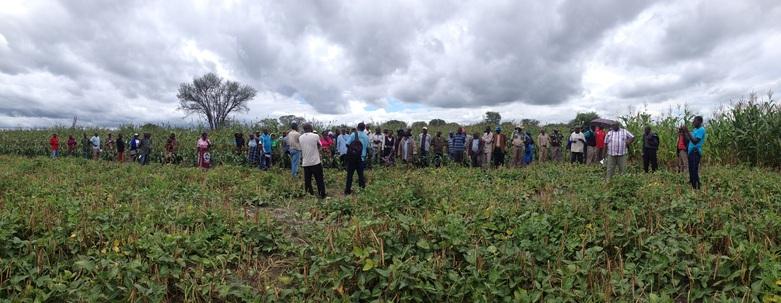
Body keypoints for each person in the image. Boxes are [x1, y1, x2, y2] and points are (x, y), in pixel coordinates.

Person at [299, 123, 327, 199]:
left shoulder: (300, 137)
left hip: (305, 163)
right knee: (319, 179)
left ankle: (309, 194)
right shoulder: (315, 136)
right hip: (315, 162)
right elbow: (320, 145)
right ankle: (322, 194)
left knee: (307, 180)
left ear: (304, 129)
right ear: (311, 128)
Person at [344, 122, 370, 195]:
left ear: (357, 127)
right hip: (361, 159)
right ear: (364, 128)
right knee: (361, 176)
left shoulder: (353, 134)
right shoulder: (366, 136)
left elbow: (347, 144)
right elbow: (368, 147)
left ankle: (347, 191)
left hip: (352, 159)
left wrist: (353, 151)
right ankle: (362, 191)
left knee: (349, 176)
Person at [683, 116, 706, 189]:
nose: (693, 122)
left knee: (694, 170)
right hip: (691, 153)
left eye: (695, 121)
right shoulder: (695, 130)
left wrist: (687, 131)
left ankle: (697, 187)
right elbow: (688, 139)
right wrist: (684, 132)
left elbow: (695, 141)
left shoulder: (701, 130)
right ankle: (693, 184)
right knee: (691, 169)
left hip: (695, 152)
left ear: (700, 122)